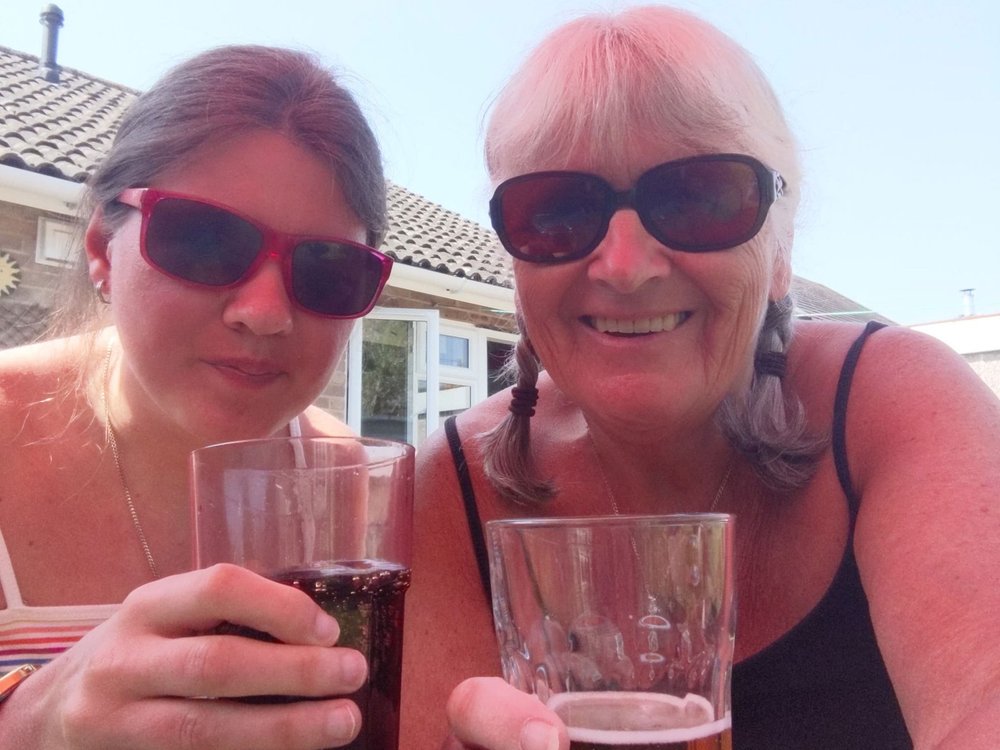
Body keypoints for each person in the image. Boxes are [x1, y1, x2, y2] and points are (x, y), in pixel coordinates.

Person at [403, 6, 1000, 749]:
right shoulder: (446, 484)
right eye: (555, 211)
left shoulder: (895, 405)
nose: (624, 267)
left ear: (780, 248)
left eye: (699, 198)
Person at [0, 45, 394, 748]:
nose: (264, 312)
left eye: (328, 269)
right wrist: (31, 723)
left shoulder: (364, 497)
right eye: (207, 241)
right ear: (100, 248)